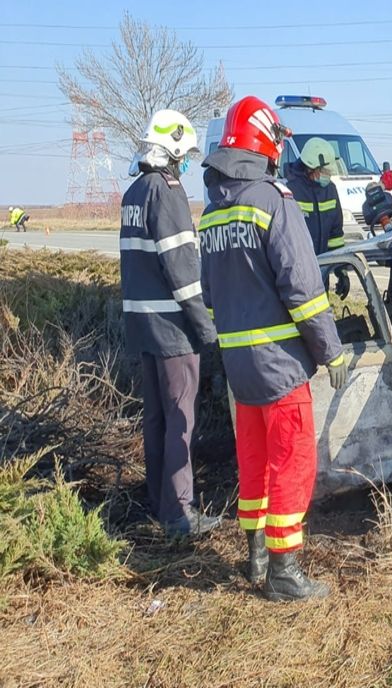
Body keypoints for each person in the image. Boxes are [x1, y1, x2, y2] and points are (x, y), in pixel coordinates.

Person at [199, 95, 350, 602]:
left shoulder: (214, 212)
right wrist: (332, 351)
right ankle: (285, 573)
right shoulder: (273, 200)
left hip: (239, 367)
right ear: (265, 142)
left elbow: (211, 297)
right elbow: (304, 292)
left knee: (255, 460)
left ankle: (255, 556)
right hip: (282, 366)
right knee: (293, 461)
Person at [119, 110, 219, 537]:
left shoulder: (133, 193)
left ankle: (159, 504)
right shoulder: (168, 193)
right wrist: (206, 329)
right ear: (174, 149)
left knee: (156, 417)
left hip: (143, 327)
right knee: (181, 419)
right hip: (174, 330)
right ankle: (179, 513)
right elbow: (184, 273)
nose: (187, 163)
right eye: (185, 154)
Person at [284, 137, 345, 254]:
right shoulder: (290, 191)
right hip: (299, 266)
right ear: (311, 168)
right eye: (325, 172)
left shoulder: (330, 190)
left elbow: (336, 234)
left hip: (323, 266)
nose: (328, 176)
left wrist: (339, 266)